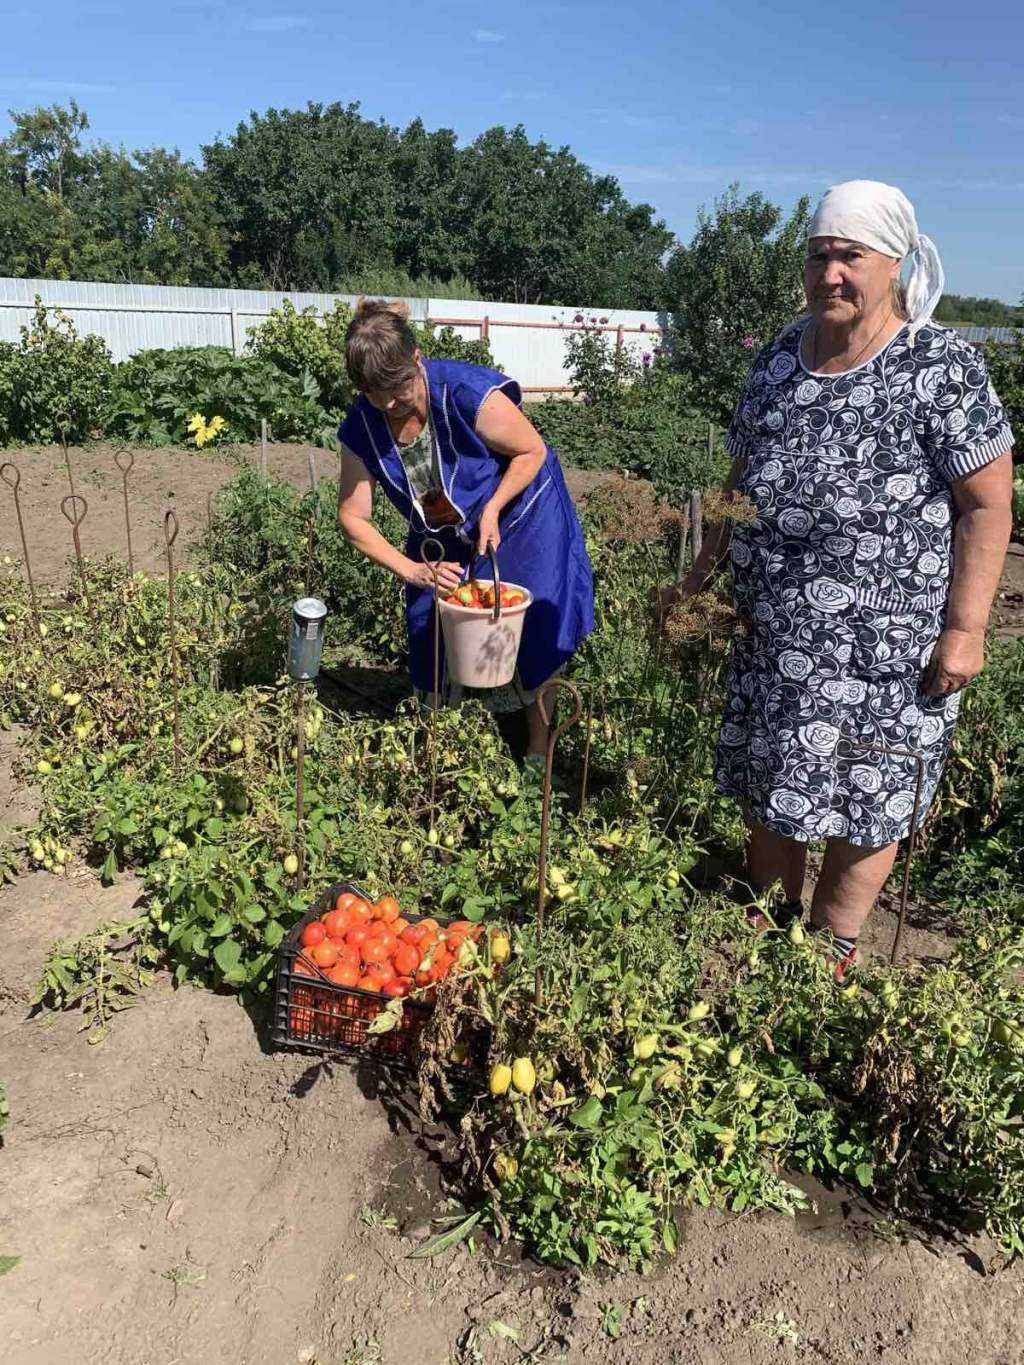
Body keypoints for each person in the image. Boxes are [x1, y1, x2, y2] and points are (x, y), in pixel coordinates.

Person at [668, 180, 1015, 975]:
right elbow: (741, 475)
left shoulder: (939, 366)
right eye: (819, 254)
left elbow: (988, 503)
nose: (830, 272)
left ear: (893, 263)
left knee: (867, 789)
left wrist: (965, 630)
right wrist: (698, 578)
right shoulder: (779, 357)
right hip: (776, 632)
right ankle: (771, 925)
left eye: (849, 256)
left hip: (883, 645)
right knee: (774, 774)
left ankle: (830, 950)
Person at [336, 300, 595, 761]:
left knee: (526, 624)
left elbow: (531, 451)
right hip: (441, 529)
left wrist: (494, 507)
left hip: (520, 514)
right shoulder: (362, 427)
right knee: (428, 625)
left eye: (399, 388)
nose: (391, 404)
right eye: (377, 395)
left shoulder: (467, 393)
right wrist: (412, 570)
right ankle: (441, 751)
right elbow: (353, 517)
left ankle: (538, 750)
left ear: (417, 360)